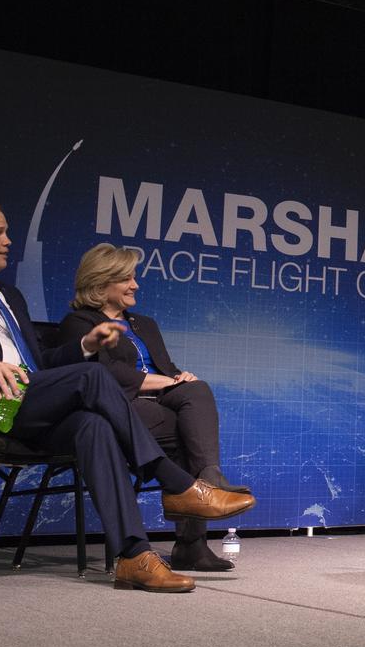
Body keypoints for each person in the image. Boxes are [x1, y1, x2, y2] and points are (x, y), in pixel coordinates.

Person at [0, 200, 255, 593]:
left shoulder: (9, 295)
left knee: (93, 425)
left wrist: (84, 344)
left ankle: (134, 556)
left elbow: (40, 364)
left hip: (29, 404)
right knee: (95, 376)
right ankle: (177, 484)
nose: (8, 241)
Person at [60, 243, 251, 573]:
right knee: (183, 431)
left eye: (135, 277)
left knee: (198, 389)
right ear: (101, 282)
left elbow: (165, 366)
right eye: (127, 278)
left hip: (160, 400)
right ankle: (192, 542)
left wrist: (179, 378)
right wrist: (167, 382)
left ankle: (209, 478)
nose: (135, 285)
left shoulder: (143, 323)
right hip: (120, 406)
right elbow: (104, 375)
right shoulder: (79, 324)